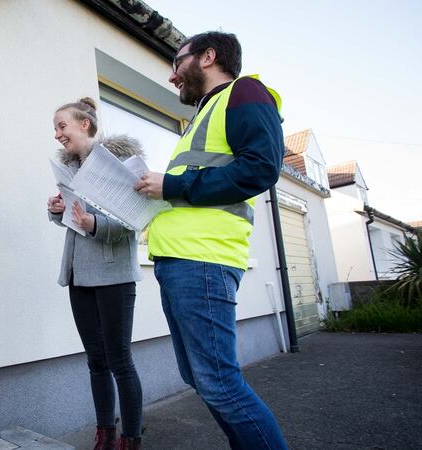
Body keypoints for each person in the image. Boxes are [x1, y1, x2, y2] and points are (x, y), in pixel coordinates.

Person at [134, 31, 288, 449]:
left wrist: (173, 185)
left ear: (207, 56)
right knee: (202, 379)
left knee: (219, 383)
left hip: (202, 261)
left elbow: (259, 169)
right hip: (180, 261)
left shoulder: (245, 92)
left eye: (175, 63)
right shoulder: (203, 116)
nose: (171, 77)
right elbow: (194, 186)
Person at [47, 97, 143, 450]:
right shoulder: (70, 169)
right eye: (55, 129)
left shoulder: (120, 165)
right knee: (96, 360)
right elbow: (73, 220)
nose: (57, 134)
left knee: (119, 359)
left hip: (114, 275)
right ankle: (105, 435)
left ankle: (131, 439)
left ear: (83, 124)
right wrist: (58, 211)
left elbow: (134, 220)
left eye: (62, 126)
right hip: (78, 275)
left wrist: (95, 223)